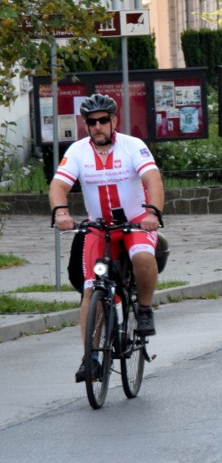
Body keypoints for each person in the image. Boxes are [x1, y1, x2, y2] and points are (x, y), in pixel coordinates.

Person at [49, 94, 164, 382]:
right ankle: (91, 357)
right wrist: (61, 212)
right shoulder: (77, 151)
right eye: (91, 122)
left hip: (136, 222)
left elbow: (153, 180)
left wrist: (153, 212)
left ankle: (145, 308)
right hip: (99, 228)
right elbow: (58, 185)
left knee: (142, 257)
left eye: (103, 120)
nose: (97, 126)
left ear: (114, 120)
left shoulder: (133, 146)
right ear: (85, 124)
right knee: (92, 289)